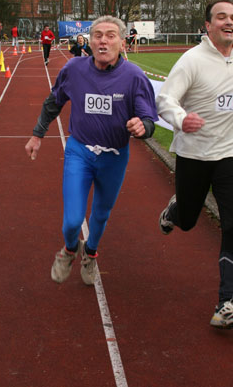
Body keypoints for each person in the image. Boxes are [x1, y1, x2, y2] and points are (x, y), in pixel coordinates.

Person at [25, 15, 158, 285]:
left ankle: (91, 252)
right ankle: (69, 249)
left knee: (101, 213)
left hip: (115, 157)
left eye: (110, 36)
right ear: (89, 41)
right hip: (80, 152)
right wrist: (37, 134)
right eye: (97, 35)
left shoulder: (134, 77)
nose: (103, 41)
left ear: (122, 43)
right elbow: (53, 102)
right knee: (73, 220)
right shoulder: (74, 69)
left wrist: (142, 126)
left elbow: (148, 119)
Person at [156, 0, 233, 330]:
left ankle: (226, 303)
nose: (229, 22)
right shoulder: (192, 60)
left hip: (232, 154)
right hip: (195, 154)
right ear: (207, 25)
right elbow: (165, 99)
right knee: (189, 220)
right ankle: (176, 210)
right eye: (221, 17)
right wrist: (181, 119)